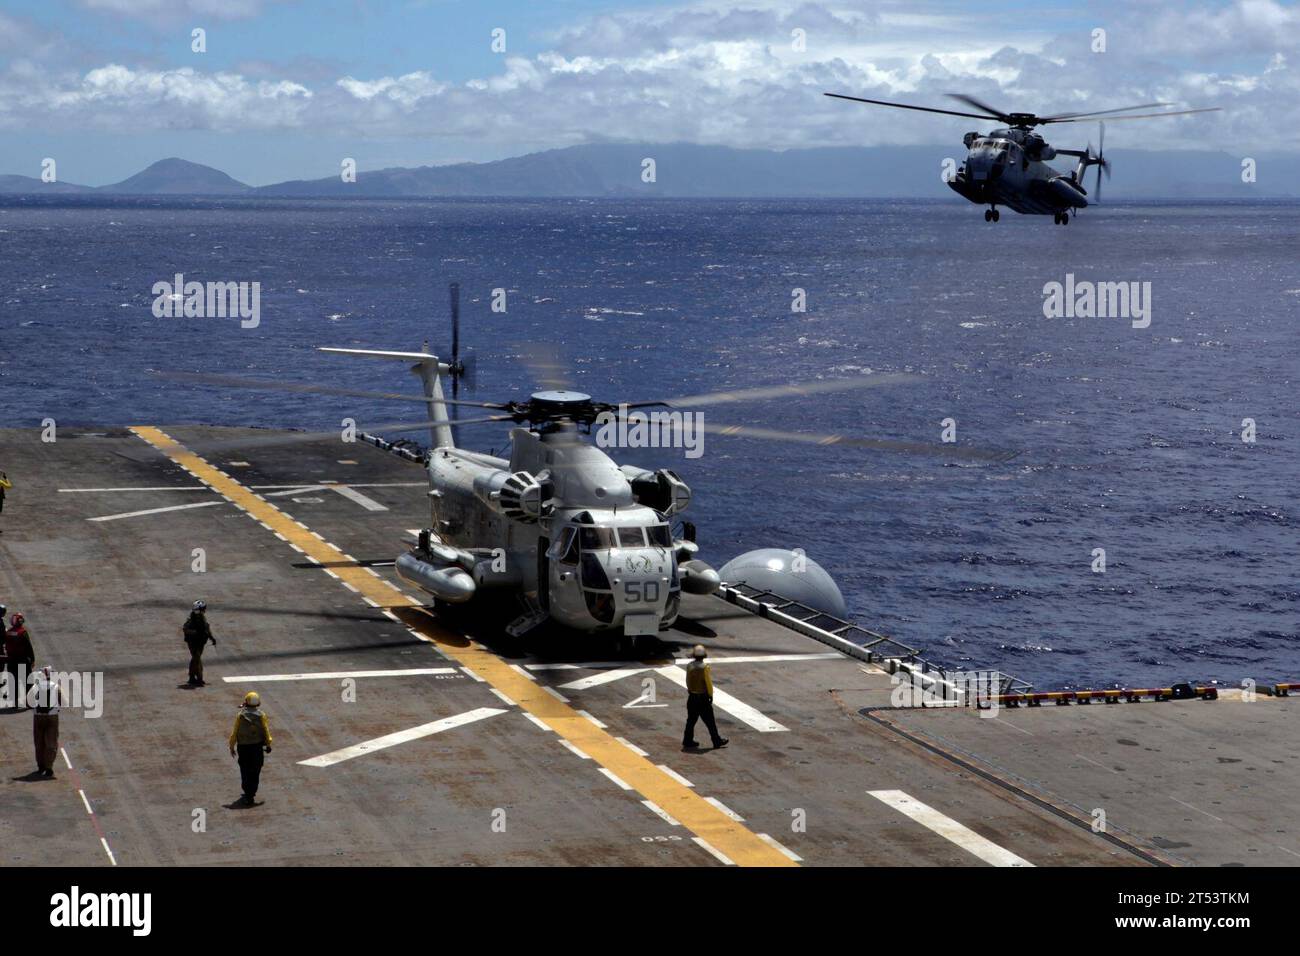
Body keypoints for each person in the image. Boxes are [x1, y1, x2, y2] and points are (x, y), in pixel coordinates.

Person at [229, 691, 272, 806]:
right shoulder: (261, 715)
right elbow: (266, 731)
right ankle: (251, 793)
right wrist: (268, 744)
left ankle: (247, 793)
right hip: (257, 748)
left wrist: (231, 746)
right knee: (255, 770)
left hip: (243, 748)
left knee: (245, 770)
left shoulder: (240, 715)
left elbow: (235, 732)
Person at [682, 644, 728, 750]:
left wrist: (690, 690)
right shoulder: (705, 667)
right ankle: (716, 740)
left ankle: (687, 740)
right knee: (710, 721)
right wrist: (710, 695)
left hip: (692, 697)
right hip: (702, 698)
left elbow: (688, 681)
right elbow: (708, 683)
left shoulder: (689, 666)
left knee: (691, 720)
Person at [31, 666, 60, 778]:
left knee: (39, 742)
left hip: (38, 717)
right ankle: (49, 767)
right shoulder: (55, 686)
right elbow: (63, 701)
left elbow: (28, 702)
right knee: (51, 742)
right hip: (52, 717)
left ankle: (40, 766)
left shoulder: (35, 687)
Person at [182, 601, 216, 687]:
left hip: (200, 642)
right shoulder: (192, 619)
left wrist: (211, 637)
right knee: (196, 658)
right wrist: (195, 632)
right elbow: (185, 629)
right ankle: (198, 678)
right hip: (193, 642)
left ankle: (193, 677)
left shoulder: (202, 618)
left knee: (195, 659)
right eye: (203, 609)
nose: (204, 611)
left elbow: (206, 628)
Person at [4, 613, 34, 709]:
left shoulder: (8, 632)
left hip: (11, 661)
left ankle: (14, 702)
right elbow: (28, 647)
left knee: (13, 681)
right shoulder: (22, 632)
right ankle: (30, 702)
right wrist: (32, 659)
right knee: (27, 681)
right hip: (22, 660)